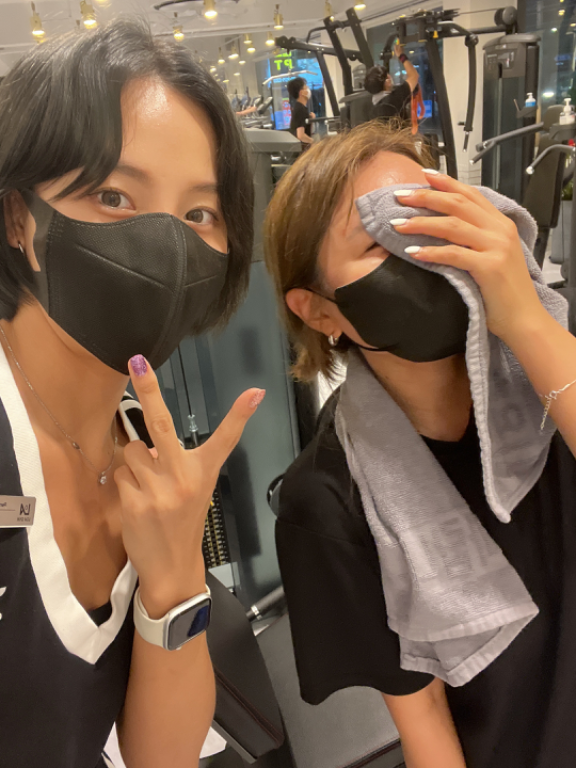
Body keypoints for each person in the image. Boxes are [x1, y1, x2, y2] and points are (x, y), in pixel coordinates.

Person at [263, 120, 576, 768]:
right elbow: (425, 721)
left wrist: (524, 316)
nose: (425, 252)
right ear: (320, 310)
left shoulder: (554, 375)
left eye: (434, 220)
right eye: (382, 237)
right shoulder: (327, 500)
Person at [0, 19, 265, 768]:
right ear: (18, 217)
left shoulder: (145, 451)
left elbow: (160, 756)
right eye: (114, 196)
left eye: (200, 214)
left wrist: (176, 575)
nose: (168, 248)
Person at [364, 42, 419, 122]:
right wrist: (401, 56)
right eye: (388, 75)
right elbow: (414, 76)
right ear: (387, 81)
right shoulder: (392, 100)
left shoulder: (374, 107)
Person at [287, 77, 316, 148]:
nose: (308, 89)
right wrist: (314, 142)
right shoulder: (300, 109)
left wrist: (311, 119)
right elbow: (301, 136)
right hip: (302, 150)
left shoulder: (300, 108)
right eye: (306, 88)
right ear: (301, 92)